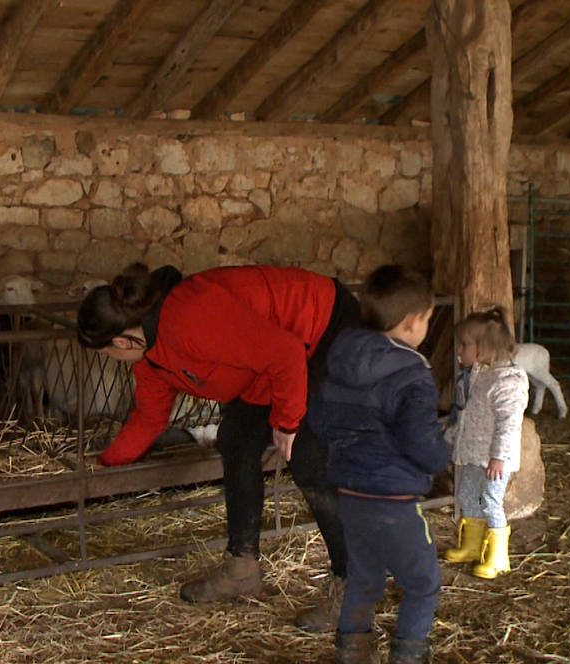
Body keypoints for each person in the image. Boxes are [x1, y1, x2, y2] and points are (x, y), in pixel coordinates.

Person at [77, 262, 363, 632]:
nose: (111, 358)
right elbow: (150, 417)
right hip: (273, 360)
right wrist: (105, 462)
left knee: (307, 454)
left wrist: (288, 421)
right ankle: (242, 569)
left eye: (106, 353)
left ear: (119, 342)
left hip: (322, 326)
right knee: (237, 438)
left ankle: (354, 588)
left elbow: (285, 353)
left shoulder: (189, 318)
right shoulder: (151, 356)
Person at [306, 264, 452, 664]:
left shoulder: (339, 358)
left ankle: (351, 662)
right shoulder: (412, 373)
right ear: (413, 321)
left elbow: (318, 419)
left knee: (363, 578)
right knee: (422, 583)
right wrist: (441, 456)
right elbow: (420, 441)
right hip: (397, 499)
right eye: (428, 319)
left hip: (350, 496)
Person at [443, 307, 528, 580]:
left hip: (494, 461)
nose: (459, 350)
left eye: (464, 345)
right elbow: (470, 415)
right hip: (474, 455)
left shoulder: (508, 380)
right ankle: (472, 545)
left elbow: (509, 422)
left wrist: (500, 457)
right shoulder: (479, 374)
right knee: (467, 495)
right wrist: (451, 435)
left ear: (485, 348)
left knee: (491, 502)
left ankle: (499, 557)